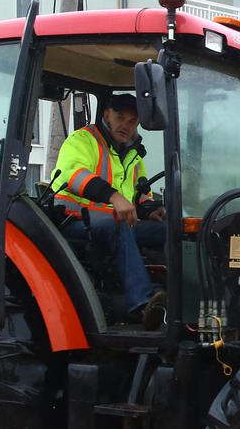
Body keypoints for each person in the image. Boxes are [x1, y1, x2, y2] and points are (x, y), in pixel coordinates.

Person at [53, 93, 166, 324]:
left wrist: (149, 211)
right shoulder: (83, 140)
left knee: (169, 231)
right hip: (73, 221)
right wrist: (113, 196)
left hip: (115, 223)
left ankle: (174, 298)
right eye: (120, 117)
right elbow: (72, 175)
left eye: (132, 121)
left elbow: (138, 196)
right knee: (118, 227)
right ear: (107, 115)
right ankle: (144, 303)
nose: (125, 125)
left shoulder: (134, 154)